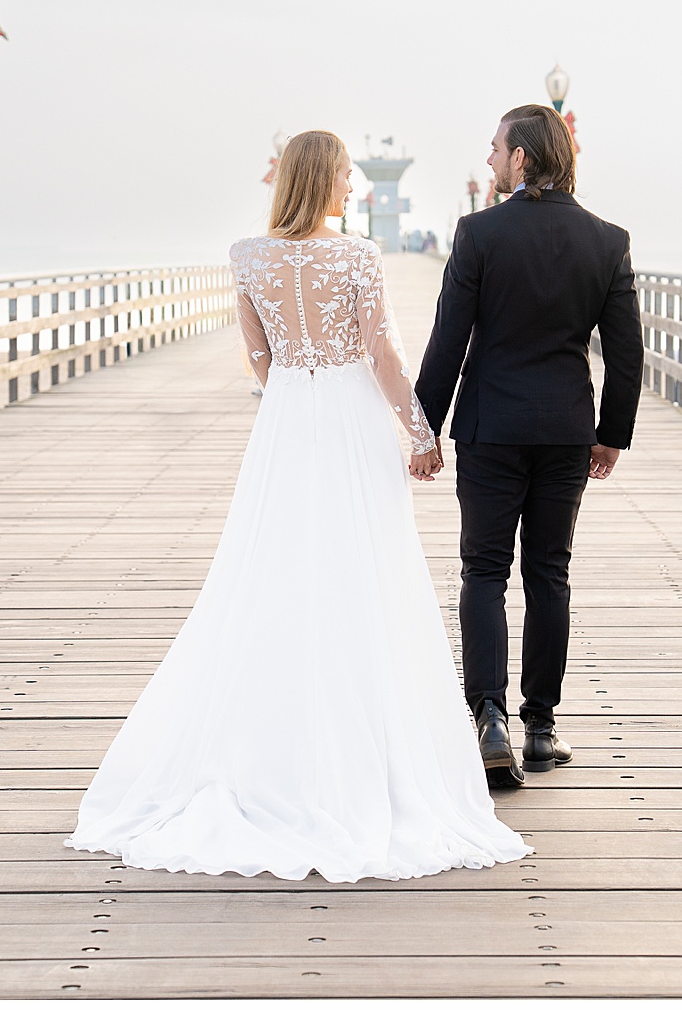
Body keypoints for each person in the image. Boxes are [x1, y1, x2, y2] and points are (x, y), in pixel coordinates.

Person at [64, 129, 530, 882]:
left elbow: (258, 355)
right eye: (348, 175)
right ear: (324, 180)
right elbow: (380, 355)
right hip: (349, 416)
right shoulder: (357, 257)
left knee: (274, 569)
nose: (357, 187)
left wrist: (291, 383)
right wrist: (420, 432)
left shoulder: (248, 256)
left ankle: (269, 748)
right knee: (362, 573)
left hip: (287, 419)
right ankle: (360, 756)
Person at [413, 104, 643, 788]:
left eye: (494, 149)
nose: (488, 160)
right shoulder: (608, 240)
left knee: (484, 571)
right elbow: (627, 356)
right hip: (566, 429)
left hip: (490, 427)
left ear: (521, 157)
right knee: (550, 572)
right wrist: (611, 434)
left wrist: (425, 428)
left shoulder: (479, 234)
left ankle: (488, 718)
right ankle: (541, 726)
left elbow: (448, 338)